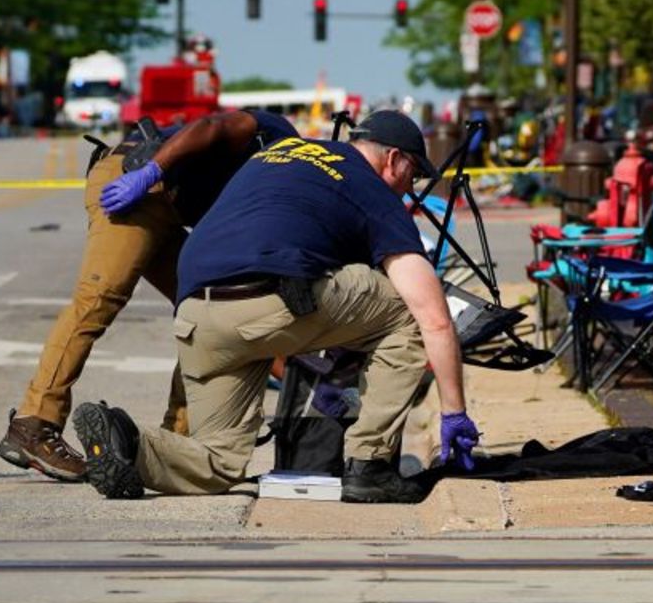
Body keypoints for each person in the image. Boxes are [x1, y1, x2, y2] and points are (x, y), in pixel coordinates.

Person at [71, 109, 481, 503]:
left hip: (196, 313)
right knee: (408, 310)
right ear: (394, 159)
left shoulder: (274, 155)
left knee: (218, 462)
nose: (409, 187)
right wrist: (453, 412)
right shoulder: (371, 188)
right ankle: (370, 466)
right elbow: (434, 318)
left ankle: (127, 441)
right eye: (412, 174)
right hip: (267, 298)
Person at [0, 109, 299, 481]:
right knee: (99, 299)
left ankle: (176, 442)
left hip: (168, 210)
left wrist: (304, 375)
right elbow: (210, 126)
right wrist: (150, 173)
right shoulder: (281, 138)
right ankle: (34, 422)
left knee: (213, 310)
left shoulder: (285, 199)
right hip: (134, 183)